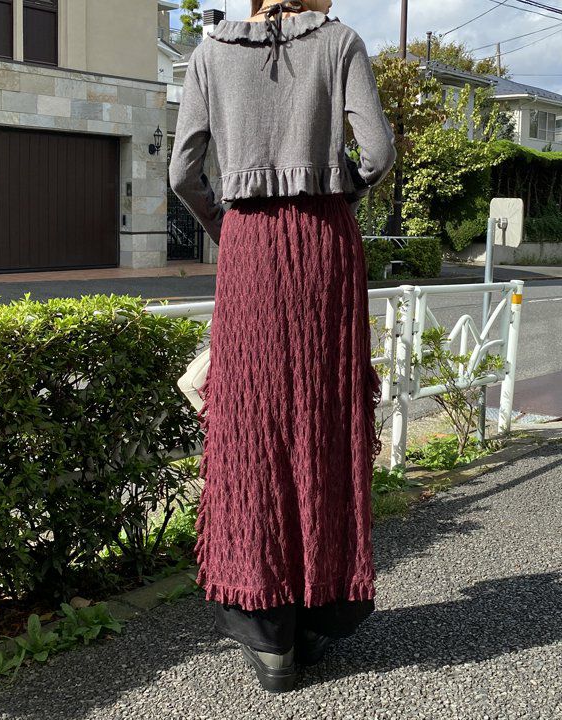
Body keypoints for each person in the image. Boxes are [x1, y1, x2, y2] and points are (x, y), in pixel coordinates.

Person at [169, 0, 397, 693]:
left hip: (247, 248)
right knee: (324, 417)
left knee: (253, 426)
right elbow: (378, 154)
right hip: (325, 244)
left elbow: (182, 173)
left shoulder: (209, 54)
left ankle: (270, 637)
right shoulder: (341, 42)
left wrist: (230, 224)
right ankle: (325, 612)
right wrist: (335, 196)